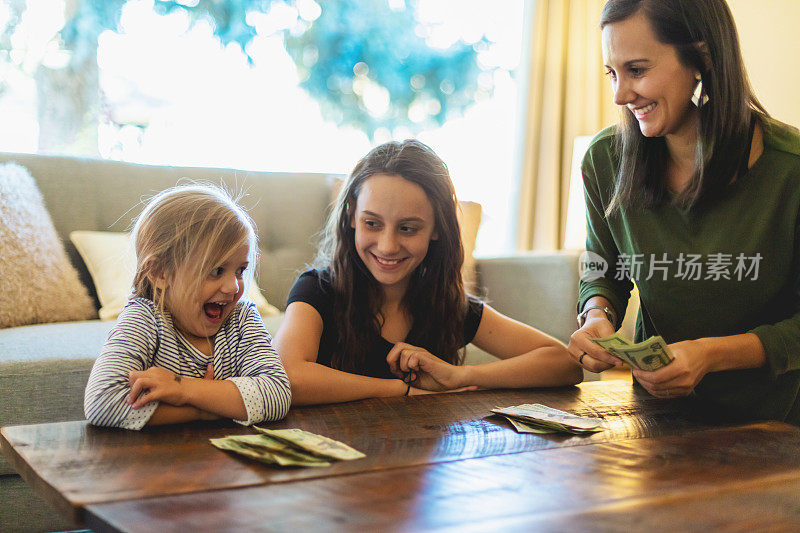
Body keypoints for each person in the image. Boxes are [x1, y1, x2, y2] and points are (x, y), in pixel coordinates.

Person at [570, 0, 800, 423]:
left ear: (702, 57)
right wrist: (597, 314)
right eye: (613, 73)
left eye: (637, 70)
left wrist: (711, 355)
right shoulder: (604, 160)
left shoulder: (790, 169)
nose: (620, 95)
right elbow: (604, 269)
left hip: (777, 424)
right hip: (657, 415)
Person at [274, 140, 582, 405]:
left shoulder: (446, 302)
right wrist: (400, 390)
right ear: (352, 213)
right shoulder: (317, 289)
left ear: (436, 228)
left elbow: (564, 363)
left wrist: (459, 376)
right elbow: (284, 377)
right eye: (372, 223)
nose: (387, 245)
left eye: (408, 228)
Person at [84, 184, 291, 429]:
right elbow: (103, 403)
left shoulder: (242, 319)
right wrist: (206, 411)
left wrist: (183, 389)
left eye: (240, 271)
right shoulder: (145, 319)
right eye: (216, 271)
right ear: (160, 273)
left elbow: (277, 394)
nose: (233, 287)